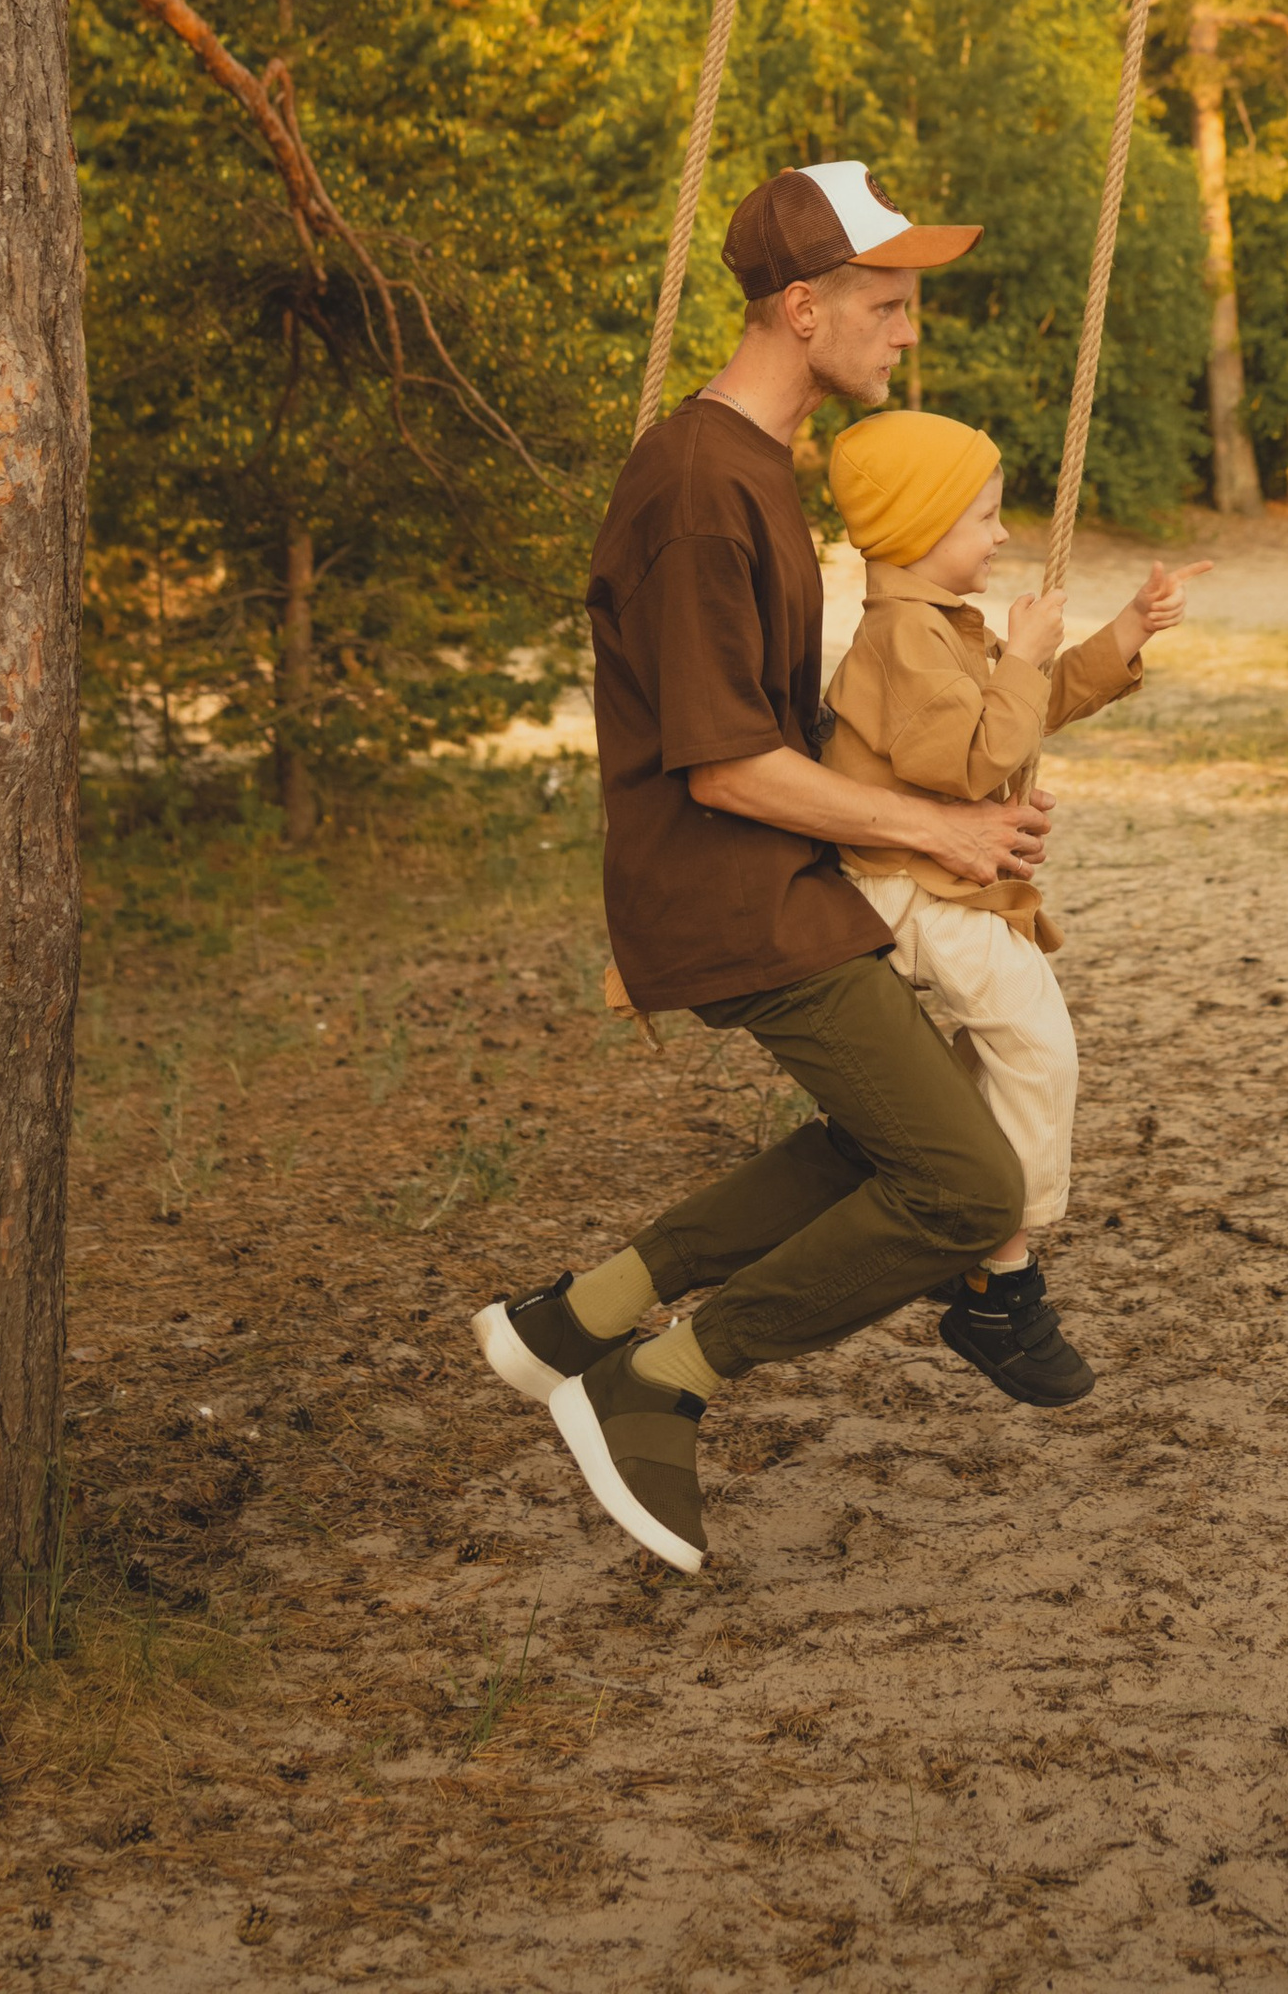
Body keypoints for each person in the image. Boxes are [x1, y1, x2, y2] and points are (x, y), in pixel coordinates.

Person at [473, 162, 1051, 1578]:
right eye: (885, 304)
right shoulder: (697, 484)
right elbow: (723, 764)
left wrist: (952, 794)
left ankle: (570, 1322)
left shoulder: (754, 467)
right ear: (802, 309)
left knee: (891, 1135)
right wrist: (941, 834)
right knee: (968, 1191)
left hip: (783, 877)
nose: (906, 331)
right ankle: (655, 1382)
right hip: (737, 887)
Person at [821, 411, 1204, 1406]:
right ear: (919, 527)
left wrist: (1126, 630)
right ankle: (1000, 1278)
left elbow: (1024, 715)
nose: (1001, 534)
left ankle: (954, 1211)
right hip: (906, 889)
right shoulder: (903, 636)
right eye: (983, 517)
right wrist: (1025, 655)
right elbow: (976, 758)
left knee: (996, 1055)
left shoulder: (937, 624)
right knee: (1036, 1043)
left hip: (932, 883)